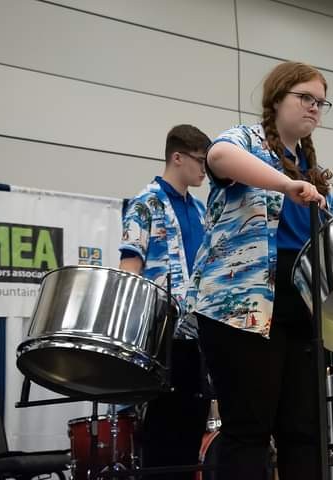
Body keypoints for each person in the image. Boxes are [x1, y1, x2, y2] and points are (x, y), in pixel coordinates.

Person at [189, 61, 333, 479]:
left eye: (320, 102)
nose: (314, 108)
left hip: (301, 301)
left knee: (304, 431)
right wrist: (285, 184)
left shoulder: (313, 168)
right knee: (249, 430)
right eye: (304, 98)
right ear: (277, 99)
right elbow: (218, 156)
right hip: (242, 303)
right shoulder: (246, 139)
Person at [119, 124, 211, 478]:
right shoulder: (145, 204)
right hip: (160, 337)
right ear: (177, 157)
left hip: (196, 335)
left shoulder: (201, 210)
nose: (205, 170)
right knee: (162, 438)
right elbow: (129, 270)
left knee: (190, 435)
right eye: (200, 161)